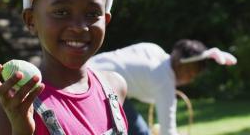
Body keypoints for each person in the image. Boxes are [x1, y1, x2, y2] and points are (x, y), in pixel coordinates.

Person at [0, 0, 129, 135]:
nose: (79, 27)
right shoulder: (16, 102)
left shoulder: (114, 87)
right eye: (62, 12)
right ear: (31, 21)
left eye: (92, 14)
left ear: (106, 21)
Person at [89, 40, 237, 135]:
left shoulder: (154, 50)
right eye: (191, 72)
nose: (191, 78)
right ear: (181, 63)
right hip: (98, 85)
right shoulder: (163, 80)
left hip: (87, 71)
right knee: (140, 132)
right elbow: (168, 129)